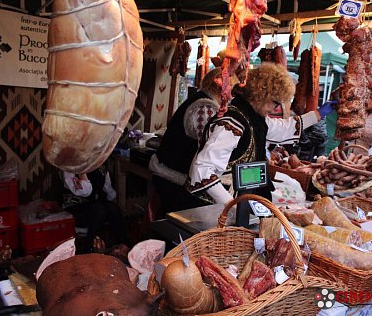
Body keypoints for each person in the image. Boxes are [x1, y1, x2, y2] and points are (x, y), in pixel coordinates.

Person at [187, 62, 336, 205]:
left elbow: (284, 128)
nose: (276, 108)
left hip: (241, 199)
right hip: (212, 206)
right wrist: (231, 205)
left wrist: (318, 114)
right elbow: (202, 170)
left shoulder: (254, 118)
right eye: (276, 102)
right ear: (261, 96)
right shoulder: (232, 123)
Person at [149, 67, 238, 213]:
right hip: (174, 181)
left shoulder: (204, 102)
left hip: (174, 176)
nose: (232, 96)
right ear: (219, 86)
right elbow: (207, 149)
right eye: (231, 90)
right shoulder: (205, 107)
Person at [62, 165, 127, 251]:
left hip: (93, 207)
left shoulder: (101, 168)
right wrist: (82, 172)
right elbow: (84, 191)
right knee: (99, 210)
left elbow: (109, 192)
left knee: (112, 208)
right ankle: (89, 248)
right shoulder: (70, 168)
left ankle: (122, 245)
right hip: (74, 209)